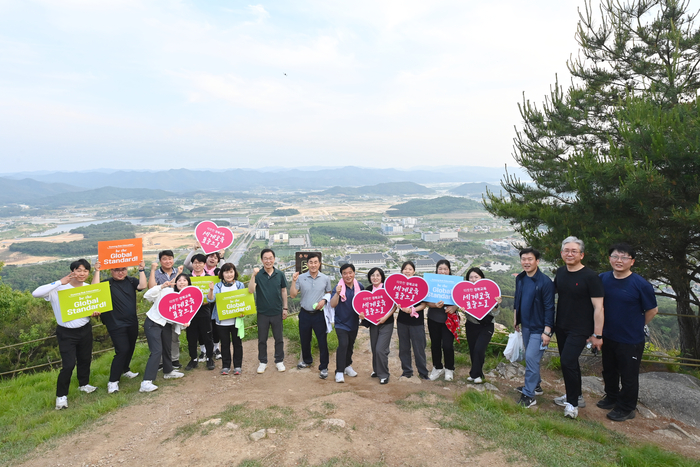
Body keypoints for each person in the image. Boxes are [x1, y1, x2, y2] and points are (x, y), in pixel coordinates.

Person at [597, 243, 658, 421]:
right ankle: (612, 397)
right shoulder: (603, 278)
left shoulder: (641, 284)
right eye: (615, 256)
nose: (619, 260)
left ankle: (626, 408)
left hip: (630, 339)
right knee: (608, 370)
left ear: (632, 262)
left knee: (629, 375)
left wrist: (637, 325)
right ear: (609, 259)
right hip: (607, 335)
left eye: (624, 257)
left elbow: (652, 310)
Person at [32, 259, 100, 409]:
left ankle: (84, 384)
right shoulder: (58, 289)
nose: (82, 274)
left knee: (85, 359)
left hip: (85, 329)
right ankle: (61, 396)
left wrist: (95, 312)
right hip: (66, 332)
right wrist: (59, 282)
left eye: (85, 271)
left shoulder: (88, 288)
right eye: (79, 270)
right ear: (72, 271)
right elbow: (35, 293)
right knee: (68, 365)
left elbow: (96, 300)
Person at [553, 236, 605, 419]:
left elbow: (599, 307)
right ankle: (576, 395)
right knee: (571, 362)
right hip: (561, 326)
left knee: (567, 361)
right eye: (566, 250)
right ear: (561, 253)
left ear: (581, 255)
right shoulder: (560, 272)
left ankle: (572, 404)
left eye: (574, 251)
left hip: (581, 328)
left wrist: (597, 334)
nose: (569, 254)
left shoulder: (591, 277)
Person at [95, 259, 147, 394]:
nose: (120, 272)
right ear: (111, 271)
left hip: (131, 321)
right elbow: (93, 289)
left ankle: (125, 369)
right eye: (116, 270)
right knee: (122, 350)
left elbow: (143, 286)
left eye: (123, 269)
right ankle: (113, 382)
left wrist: (141, 270)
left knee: (130, 347)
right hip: (115, 323)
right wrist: (97, 271)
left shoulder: (131, 281)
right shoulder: (107, 283)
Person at [512, 248, 555, 408]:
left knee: (531, 358)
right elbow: (518, 298)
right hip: (526, 325)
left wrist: (547, 331)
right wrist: (516, 318)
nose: (526, 262)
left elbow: (550, 308)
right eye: (523, 259)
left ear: (537, 261)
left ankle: (529, 395)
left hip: (539, 328)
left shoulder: (545, 282)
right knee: (530, 358)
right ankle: (535, 386)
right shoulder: (521, 278)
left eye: (530, 259)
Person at [141, 274, 188, 392]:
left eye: (185, 280)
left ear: (188, 283)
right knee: (156, 351)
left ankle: (168, 371)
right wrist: (161, 286)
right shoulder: (166, 291)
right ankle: (146, 382)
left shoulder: (186, 298)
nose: (182, 282)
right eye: (179, 280)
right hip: (153, 322)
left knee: (167, 348)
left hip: (166, 325)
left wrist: (186, 323)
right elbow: (147, 295)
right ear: (175, 282)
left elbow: (185, 316)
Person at [290, 252, 332, 379]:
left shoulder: (325, 278)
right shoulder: (301, 277)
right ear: (307, 264)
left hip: (319, 314)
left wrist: (324, 301)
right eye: (311, 262)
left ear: (319, 264)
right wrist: (293, 281)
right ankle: (307, 361)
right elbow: (292, 295)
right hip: (305, 313)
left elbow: (329, 292)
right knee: (304, 339)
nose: (313, 265)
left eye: (316, 262)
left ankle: (324, 367)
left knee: (322, 341)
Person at [248, 248, 288, 374]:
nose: (268, 261)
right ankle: (263, 362)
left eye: (270, 258)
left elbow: (284, 291)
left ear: (274, 259)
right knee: (262, 339)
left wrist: (285, 308)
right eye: (265, 258)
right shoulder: (258, 275)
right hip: (262, 312)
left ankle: (279, 360)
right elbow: (250, 290)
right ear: (262, 260)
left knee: (279, 338)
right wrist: (253, 275)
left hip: (277, 311)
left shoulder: (280, 274)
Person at [462, 267, 502, 384]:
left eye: (476, 277)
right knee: (473, 350)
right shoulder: (465, 292)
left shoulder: (489, 291)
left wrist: (496, 304)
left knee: (479, 349)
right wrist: (463, 308)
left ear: (481, 278)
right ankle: (478, 374)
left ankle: (475, 374)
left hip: (486, 326)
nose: (473, 279)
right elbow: (466, 309)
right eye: (471, 277)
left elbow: (495, 313)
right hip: (471, 325)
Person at [185, 247, 224, 361]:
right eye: (210, 256)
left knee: (212, 328)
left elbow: (225, 272)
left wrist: (222, 258)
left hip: (211, 305)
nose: (213, 259)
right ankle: (203, 351)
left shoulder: (215, 273)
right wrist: (193, 249)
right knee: (199, 330)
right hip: (195, 309)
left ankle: (214, 350)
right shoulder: (190, 277)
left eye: (215, 257)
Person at [207, 263, 246, 375]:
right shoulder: (218, 286)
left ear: (235, 272)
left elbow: (243, 301)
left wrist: (243, 313)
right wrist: (210, 290)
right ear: (222, 274)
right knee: (225, 344)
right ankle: (226, 366)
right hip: (221, 321)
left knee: (237, 343)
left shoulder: (239, 285)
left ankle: (238, 366)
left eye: (231, 272)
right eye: (226, 272)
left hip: (236, 321)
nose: (229, 274)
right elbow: (210, 300)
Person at [425, 260, 460, 381]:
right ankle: (437, 367)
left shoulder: (455, 283)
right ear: (436, 270)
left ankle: (449, 368)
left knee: (447, 345)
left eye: (445, 269)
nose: (443, 271)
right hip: (433, 317)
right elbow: (426, 300)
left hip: (449, 319)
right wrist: (435, 305)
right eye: (440, 268)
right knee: (435, 344)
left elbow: (462, 299)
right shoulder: (431, 282)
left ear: (449, 270)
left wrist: (455, 307)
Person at [329, 263, 364, 383]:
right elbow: (332, 304)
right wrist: (338, 294)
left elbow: (364, 304)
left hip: (354, 322)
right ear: (342, 275)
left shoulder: (359, 286)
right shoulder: (338, 287)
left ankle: (347, 365)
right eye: (345, 273)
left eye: (350, 272)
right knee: (343, 344)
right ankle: (339, 371)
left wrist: (363, 314)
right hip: (341, 323)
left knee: (350, 345)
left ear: (354, 273)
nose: (348, 275)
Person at [148, 249, 183, 369]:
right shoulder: (156, 274)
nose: (168, 261)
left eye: (170, 258)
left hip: (175, 308)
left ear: (173, 259)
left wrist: (179, 274)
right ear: (160, 261)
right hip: (160, 310)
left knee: (174, 336)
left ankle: (174, 359)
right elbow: (152, 288)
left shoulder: (178, 272)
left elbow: (179, 287)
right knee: (160, 337)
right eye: (164, 259)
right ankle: (161, 361)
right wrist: (152, 270)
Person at [395, 261, 429, 381]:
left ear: (414, 271)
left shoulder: (420, 284)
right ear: (402, 271)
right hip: (402, 321)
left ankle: (423, 372)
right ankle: (407, 371)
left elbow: (424, 304)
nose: (407, 271)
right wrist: (400, 306)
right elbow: (394, 300)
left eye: (410, 269)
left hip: (416, 321)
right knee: (404, 347)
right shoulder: (398, 285)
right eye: (405, 269)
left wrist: (412, 310)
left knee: (419, 348)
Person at [184, 254, 215, 371]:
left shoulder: (209, 278)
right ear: (192, 264)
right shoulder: (187, 279)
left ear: (204, 264)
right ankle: (193, 359)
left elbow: (212, 297)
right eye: (195, 263)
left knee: (207, 336)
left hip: (204, 311)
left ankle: (209, 358)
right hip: (190, 313)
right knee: (191, 337)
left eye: (200, 263)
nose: (197, 265)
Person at [364, 267, 395, 384]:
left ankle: (384, 374)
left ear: (382, 277)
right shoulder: (367, 290)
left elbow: (394, 305)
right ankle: (376, 370)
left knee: (380, 349)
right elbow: (363, 307)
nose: (375, 278)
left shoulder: (387, 289)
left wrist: (385, 317)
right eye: (372, 275)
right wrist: (362, 316)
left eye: (377, 275)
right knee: (374, 347)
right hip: (373, 323)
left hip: (386, 323)